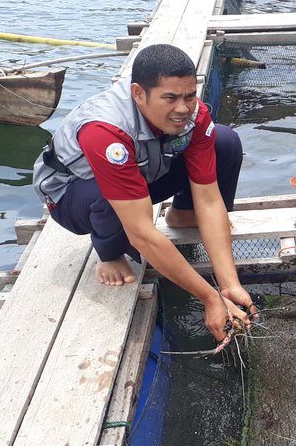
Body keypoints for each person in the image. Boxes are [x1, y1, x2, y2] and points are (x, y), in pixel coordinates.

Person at [32, 43, 253, 343]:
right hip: (70, 194)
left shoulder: (193, 115)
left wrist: (229, 284)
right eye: (170, 98)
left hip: (141, 169)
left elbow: (210, 199)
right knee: (107, 198)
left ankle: (182, 215)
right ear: (138, 93)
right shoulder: (105, 130)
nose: (183, 108)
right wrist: (210, 298)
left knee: (224, 141)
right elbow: (143, 233)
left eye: (189, 96)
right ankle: (108, 252)